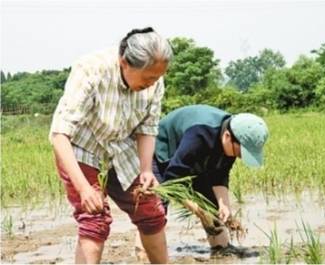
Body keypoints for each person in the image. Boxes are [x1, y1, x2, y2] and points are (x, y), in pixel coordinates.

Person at [50, 27, 173, 264]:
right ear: (124, 62)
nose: (153, 83)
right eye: (148, 78)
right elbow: (59, 135)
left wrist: (147, 170)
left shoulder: (155, 82)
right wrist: (85, 188)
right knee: (94, 218)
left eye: (157, 78)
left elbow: (147, 128)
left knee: (150, 210)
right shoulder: (90, 70)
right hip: (82, 150)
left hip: (121, 150)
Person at [153, 104, 269, 253]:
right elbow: (172, 178)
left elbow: (219, 175)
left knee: (213, 209)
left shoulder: (232, 137)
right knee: (155, 210)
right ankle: (144, 255)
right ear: (227, 137)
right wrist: (199, 211)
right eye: (239, 153)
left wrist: (224, 206)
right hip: (163, 151)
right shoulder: (199, 135)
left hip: (191, 155)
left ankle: (222, 250)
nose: (238, 157)